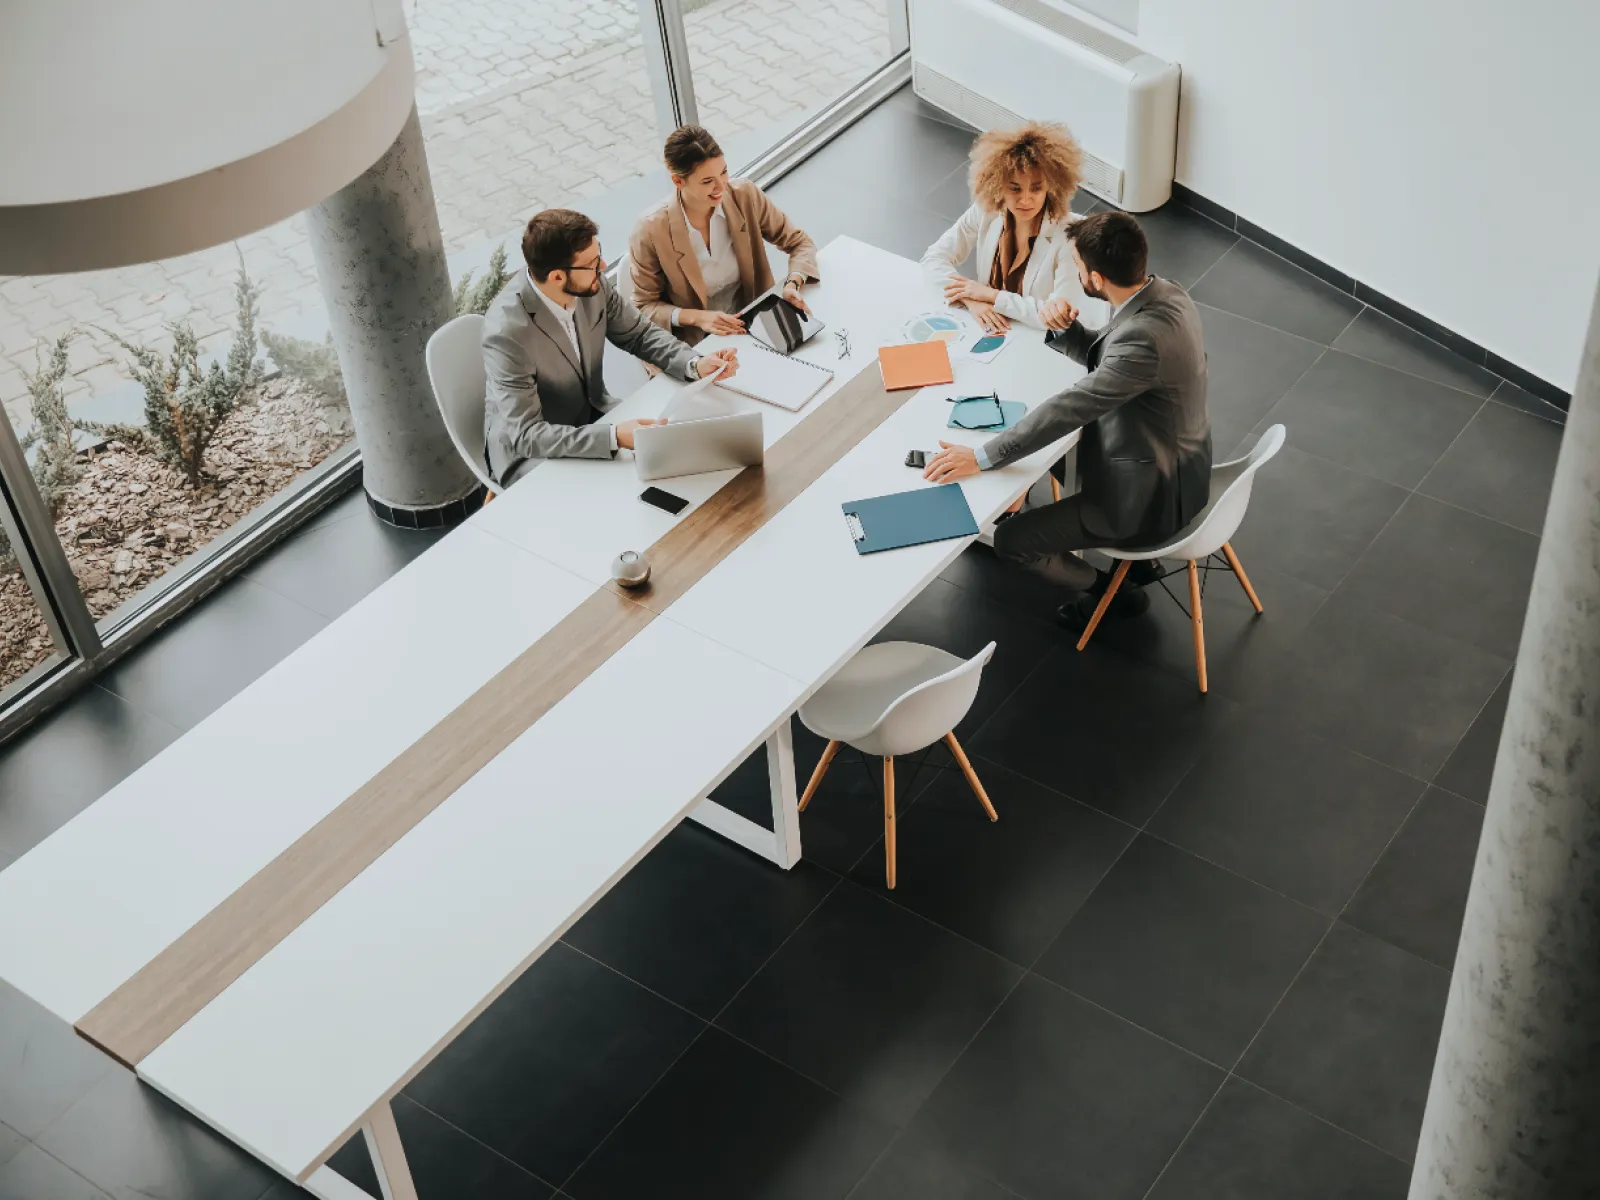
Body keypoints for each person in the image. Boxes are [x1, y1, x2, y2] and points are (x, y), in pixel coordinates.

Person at [922, 211, 1211, 629]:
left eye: (1077, 268)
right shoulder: (1166, 294)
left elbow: (1069, 408)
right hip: (1183, 465)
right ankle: (1125, 573)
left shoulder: (1142, 340)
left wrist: (983, 456)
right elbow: (1117, 358)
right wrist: (1067, 331)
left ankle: (1109, 593)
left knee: (1012, 541)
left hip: (1147, 501)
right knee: (1049, 452)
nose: (1075, 275)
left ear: (1096, 278)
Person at [482, 208, 739, 487]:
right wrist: (613, 436)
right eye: (592, 263)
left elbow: (639, 334)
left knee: (681, 459)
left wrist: (694, 364)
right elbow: (527, 435)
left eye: (599, 254)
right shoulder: (506, 333)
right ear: (557, 277)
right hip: (532, 454)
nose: (603, 266)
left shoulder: (590, 284)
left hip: (591, 415)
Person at [629, 124, 819, 346]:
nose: (722, 186)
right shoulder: (650, 229)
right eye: (707, 181)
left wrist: (792, 284)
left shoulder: (744, 196)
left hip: (758, 324)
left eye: (724, 172)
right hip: (695, 343)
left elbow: (800, 242)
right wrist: (697, 317)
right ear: (678, 181)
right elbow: (644, 307)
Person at [921, 122, 1105, 335]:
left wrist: (991, 296)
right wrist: (971, 300)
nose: (1025, 200)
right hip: (990, 328)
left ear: (1051, 187)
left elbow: (1059, 317)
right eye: (1015, 189)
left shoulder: (1072, 235)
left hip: (1043, 338)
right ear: (998, 185)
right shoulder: (985, 211)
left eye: (1036, 189)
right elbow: (933, 258)